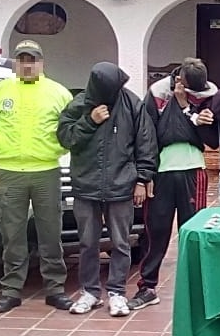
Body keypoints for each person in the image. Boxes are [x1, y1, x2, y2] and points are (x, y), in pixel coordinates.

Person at [0, 41, 74, 313]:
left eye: (32, 59)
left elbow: (68, 130)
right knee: (12, 233)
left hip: (46, 171)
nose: (27, 64)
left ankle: (55, 288)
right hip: (10, 172)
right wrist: (3, 148)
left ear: (42, 62)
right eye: (22, 60)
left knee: (50, 232)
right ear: (15, 63)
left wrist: (55, 150)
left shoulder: (58, 93)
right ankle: (11, 289)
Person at [57, 62, 157, 317]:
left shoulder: (132, 104)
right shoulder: (79, 105)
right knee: (88, 242)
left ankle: (117, 293)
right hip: (86, 185)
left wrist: (142, 180)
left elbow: (146, 144)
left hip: (121, 184)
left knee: (121, 243)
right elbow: (66, 139)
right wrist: (90, 121)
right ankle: (90, 292)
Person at [130, 58, 216, 311]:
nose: (193, 94)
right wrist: (144, 177)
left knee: (193, 232)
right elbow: (146, 136)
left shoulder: (208, 94)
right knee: (156, 232)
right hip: (162, 172)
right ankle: (147, 287)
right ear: (178, 80)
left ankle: (198, 290)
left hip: (193, 171)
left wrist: (187, 108)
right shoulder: (157, 94)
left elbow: (212, 138)